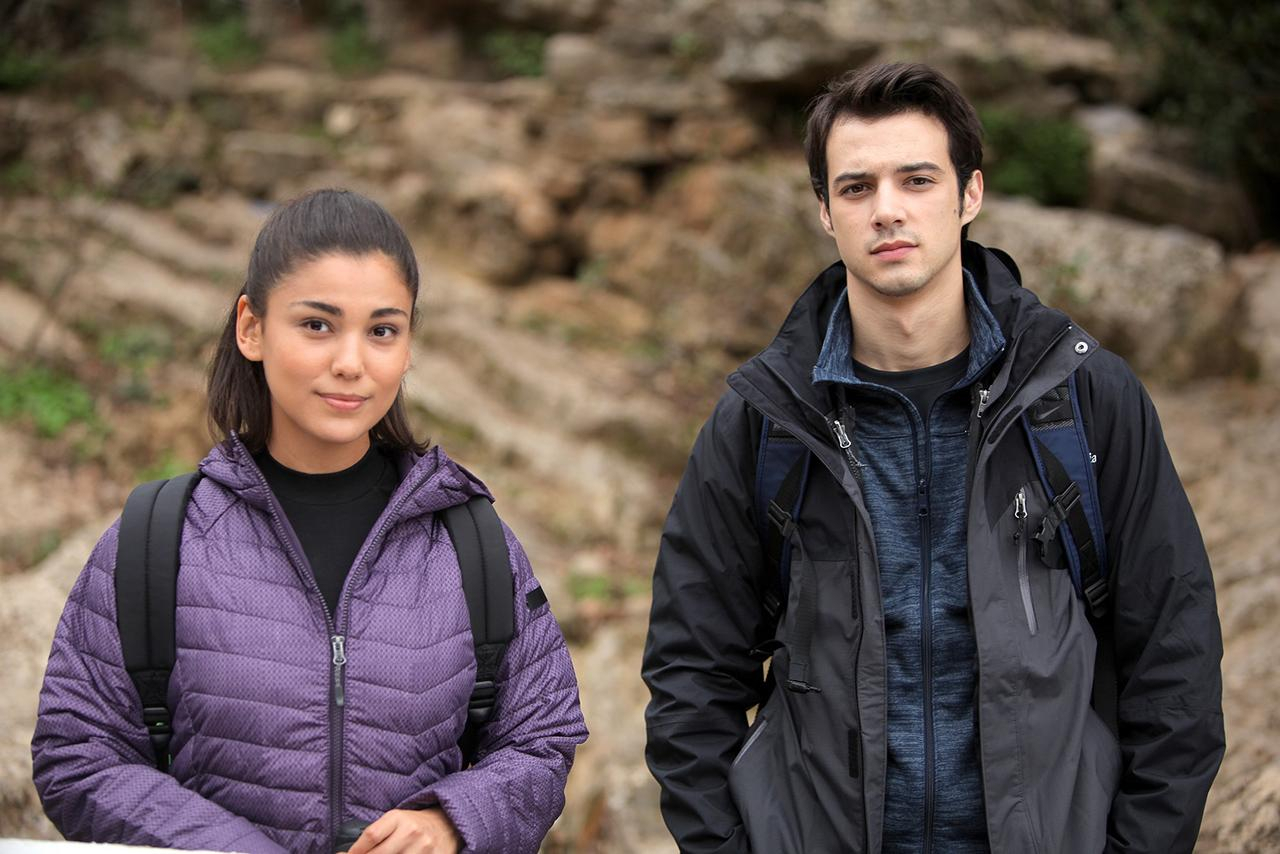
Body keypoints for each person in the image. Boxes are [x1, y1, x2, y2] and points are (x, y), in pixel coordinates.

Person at [642, 63, 1224, 853]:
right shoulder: (764, 419)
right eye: (856, 188)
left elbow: (1174, 655)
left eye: (917, 180)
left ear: (969, 194)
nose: (887, 209)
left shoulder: (1080, 397)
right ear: (825, 212)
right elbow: (691, 673)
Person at [32, 189, 588, 854]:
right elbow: (78, 755)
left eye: (382, 331)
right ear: (251, 328)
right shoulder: (158, 539)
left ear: (408, 345)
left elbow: (542, 738)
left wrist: (450, 822)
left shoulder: (470, 542)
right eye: (318, 325)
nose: (351, 363)